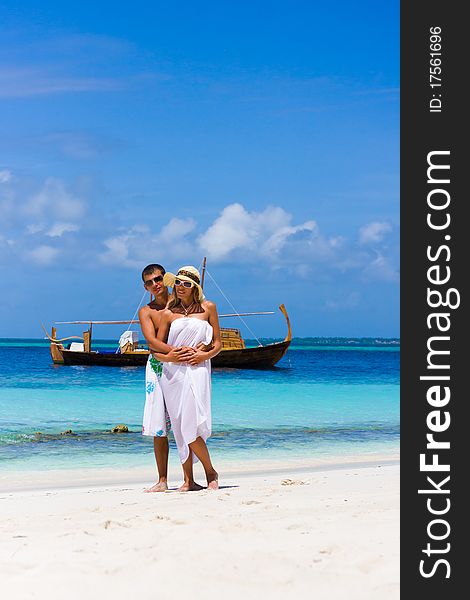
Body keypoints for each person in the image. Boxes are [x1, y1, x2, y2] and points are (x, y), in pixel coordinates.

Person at [154, 265, 221, 491]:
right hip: (172, 374)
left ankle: (210, 472)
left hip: (198, 369)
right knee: (180, 427)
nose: (181, 287)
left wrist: (205, 354)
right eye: (178, 283)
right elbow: (156, 349)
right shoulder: (167, 313)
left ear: (195, 288)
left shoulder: (208, 308)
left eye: (186, 283)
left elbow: (218, 344)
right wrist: (170, 355)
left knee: (192, 425)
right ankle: (188, 480)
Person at [138, 263, 199, 492]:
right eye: (150, 282)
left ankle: (189, 479)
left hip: (183, 365)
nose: (156, 284)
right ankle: (162, 480)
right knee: (159, 424)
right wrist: (171, 353)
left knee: (184, 420)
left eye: (159, 278)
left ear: (167, 279)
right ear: (146, 287)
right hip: (158, 366)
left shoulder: (181, 305)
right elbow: (151, 341)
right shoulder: (147, 311)